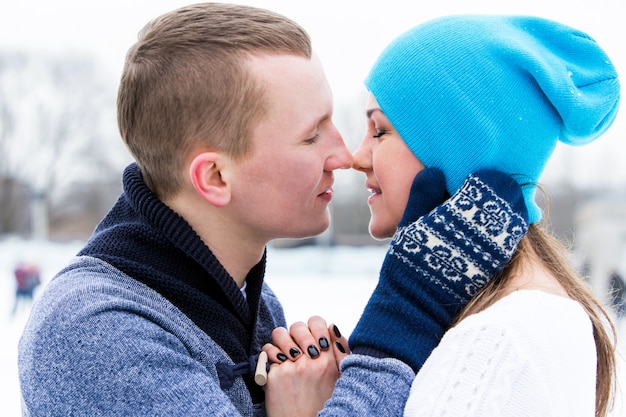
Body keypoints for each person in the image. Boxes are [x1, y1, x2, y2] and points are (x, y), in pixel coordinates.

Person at [263, 15, 621, 417]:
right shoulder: (532, 315)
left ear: (457, 155)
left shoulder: (493, 343)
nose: (356, 157)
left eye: (380, 131)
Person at [18, 3, 353, 416]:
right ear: (214, 177)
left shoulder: (253, 301)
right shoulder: (97, 332)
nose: (344, 155)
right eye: (311, 136)